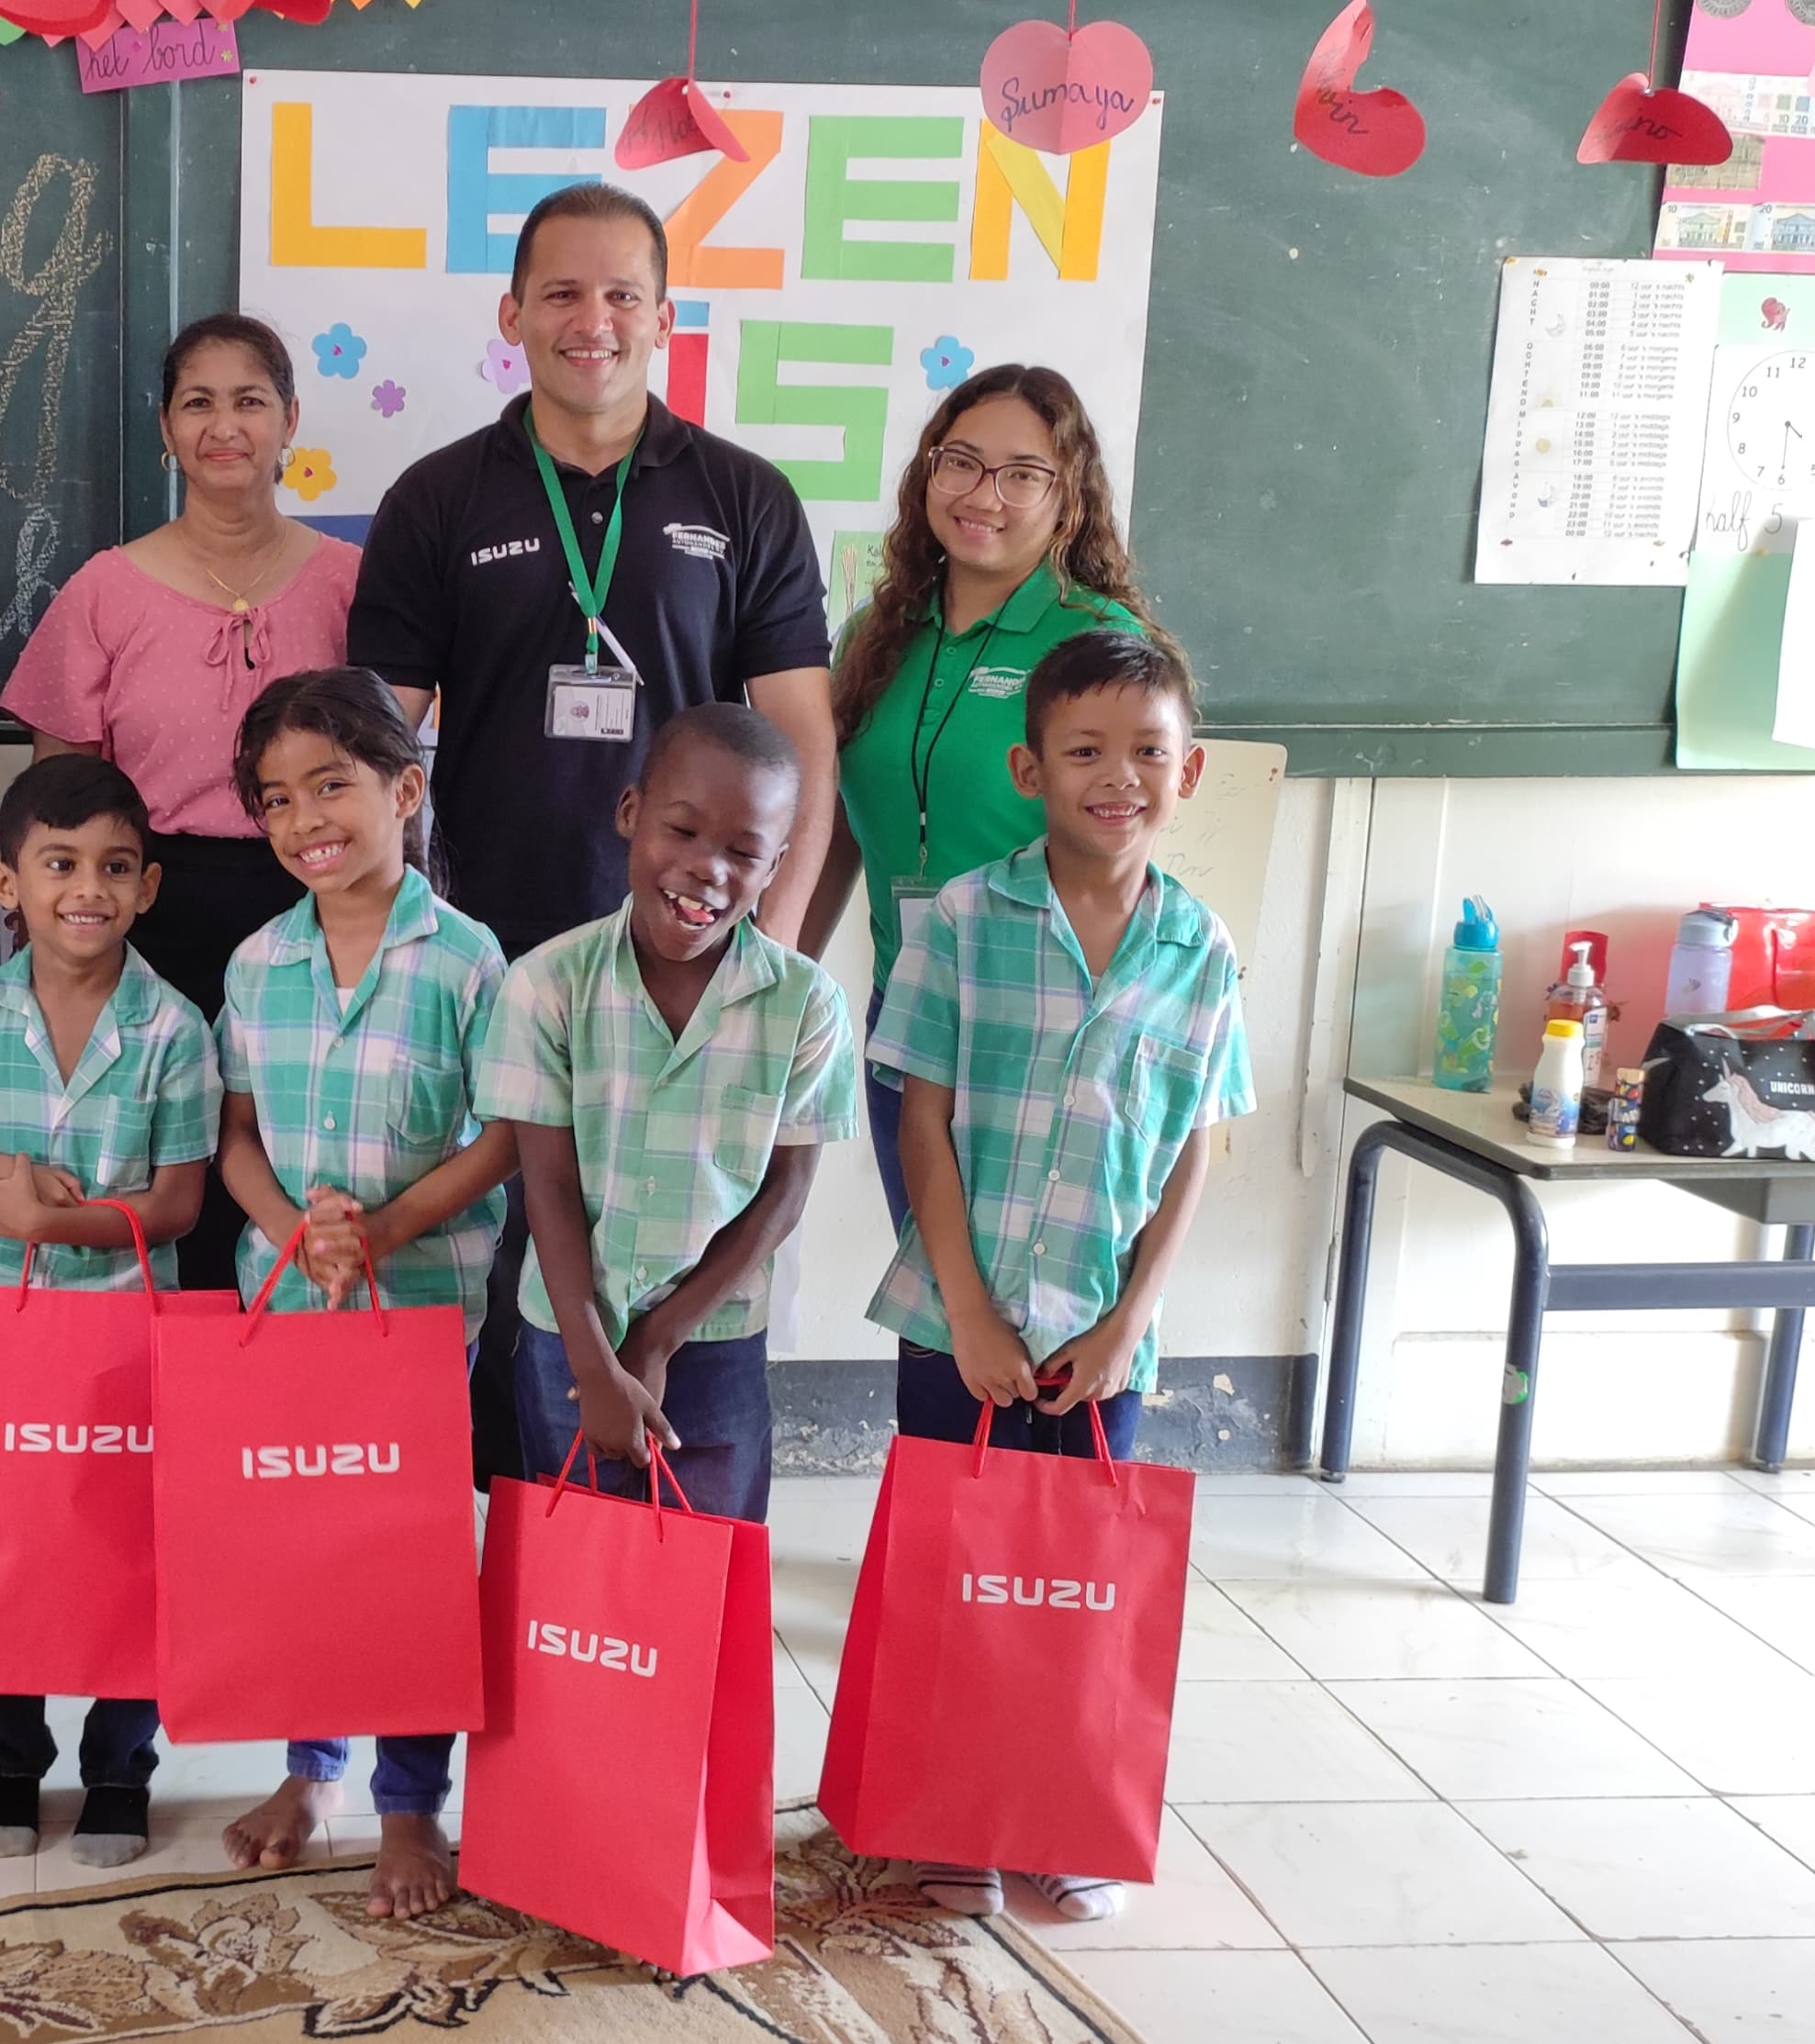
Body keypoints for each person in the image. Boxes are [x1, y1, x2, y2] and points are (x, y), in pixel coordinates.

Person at [344, 181, 836, 1471]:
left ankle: (657, 1541)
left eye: (623, 294)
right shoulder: (437, 498)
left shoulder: (745, 498)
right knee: (507, 1262)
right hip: (491, 954)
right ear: (511, 314)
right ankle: (517, 1535)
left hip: (685, 964)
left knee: (677, 1258)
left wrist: (765, 959)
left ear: (665, 318)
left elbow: (801, 739)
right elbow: (375, 749)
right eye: (561, 292)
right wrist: (379, 945)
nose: (592, 320)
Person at [865, 630, 1249, 1927]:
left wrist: (1131, 1321)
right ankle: (945, 1818)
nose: (1116, 776)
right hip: (957, 1321)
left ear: (1188, 772)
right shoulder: (963, 920)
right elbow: (922, 1122)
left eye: (1147, 751)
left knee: (1071, 1584)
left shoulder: (1201, 950)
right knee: (953, 1576)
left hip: (1102, 1330)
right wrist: (969, 1310)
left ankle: (1050, 1813)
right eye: (1084, 750)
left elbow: (1195, 1144)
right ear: (1030, 770)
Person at [207, 669, 516, 1923]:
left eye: (329, 785)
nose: (302, 821)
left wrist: (381, 1232)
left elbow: (502, 1136)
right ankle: (310, 1767)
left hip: (422, 1309)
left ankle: (408, 1801)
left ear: (403, 789)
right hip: (291, 1306)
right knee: (306, 1549)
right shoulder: (256, 963)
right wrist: (297, 1234)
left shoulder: (467, 960)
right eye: (275, 799)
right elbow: (235, 1138)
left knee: (409, 1561)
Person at [4, 314, 356, 1288]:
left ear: (290, 420)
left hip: (316, 911)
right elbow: (62, 801)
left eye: (250, 401)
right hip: (149, 916)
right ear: (165, 428)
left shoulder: (350, 583)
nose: (223, 426)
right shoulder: (104, 591)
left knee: (295, 1157)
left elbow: (383, 766)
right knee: (161, 1170)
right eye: (197, 403)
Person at [0, 752, 219, 1871]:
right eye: (58, 865)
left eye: (114, 867)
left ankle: (118, 1769)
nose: (86, 889)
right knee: (1, 1545)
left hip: (126, 1329)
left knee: (125, 1549)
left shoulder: (174, 1030)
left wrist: (54, 1221)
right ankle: (7, 1762)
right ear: (4, 882)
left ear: (147, 886)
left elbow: (178, 1203)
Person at [475, 703, 861, 1526]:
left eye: (744, 853)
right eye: (681, 831)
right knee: (572, 1565)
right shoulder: (547, 984)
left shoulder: (806, 1004)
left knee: (707, 1563)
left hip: (715, 1338)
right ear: (630, 813)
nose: (706, 869)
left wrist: (657, 1340)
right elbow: (547, 1186)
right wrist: (595, 1361)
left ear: (777, 865)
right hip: (569, 1334)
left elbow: (785, 1193)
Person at [795, 364, 1163, 1220]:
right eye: (959, 462)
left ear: (1067, 498)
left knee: (1035, 1285)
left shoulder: (1098, 641)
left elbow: (1128, 843)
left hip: (1046, 1022)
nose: (982, 495)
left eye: (1022, 475)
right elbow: (840, 824)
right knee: (931, 1279)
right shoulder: (875, 633)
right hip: (908, 1015)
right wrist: (781, 975)